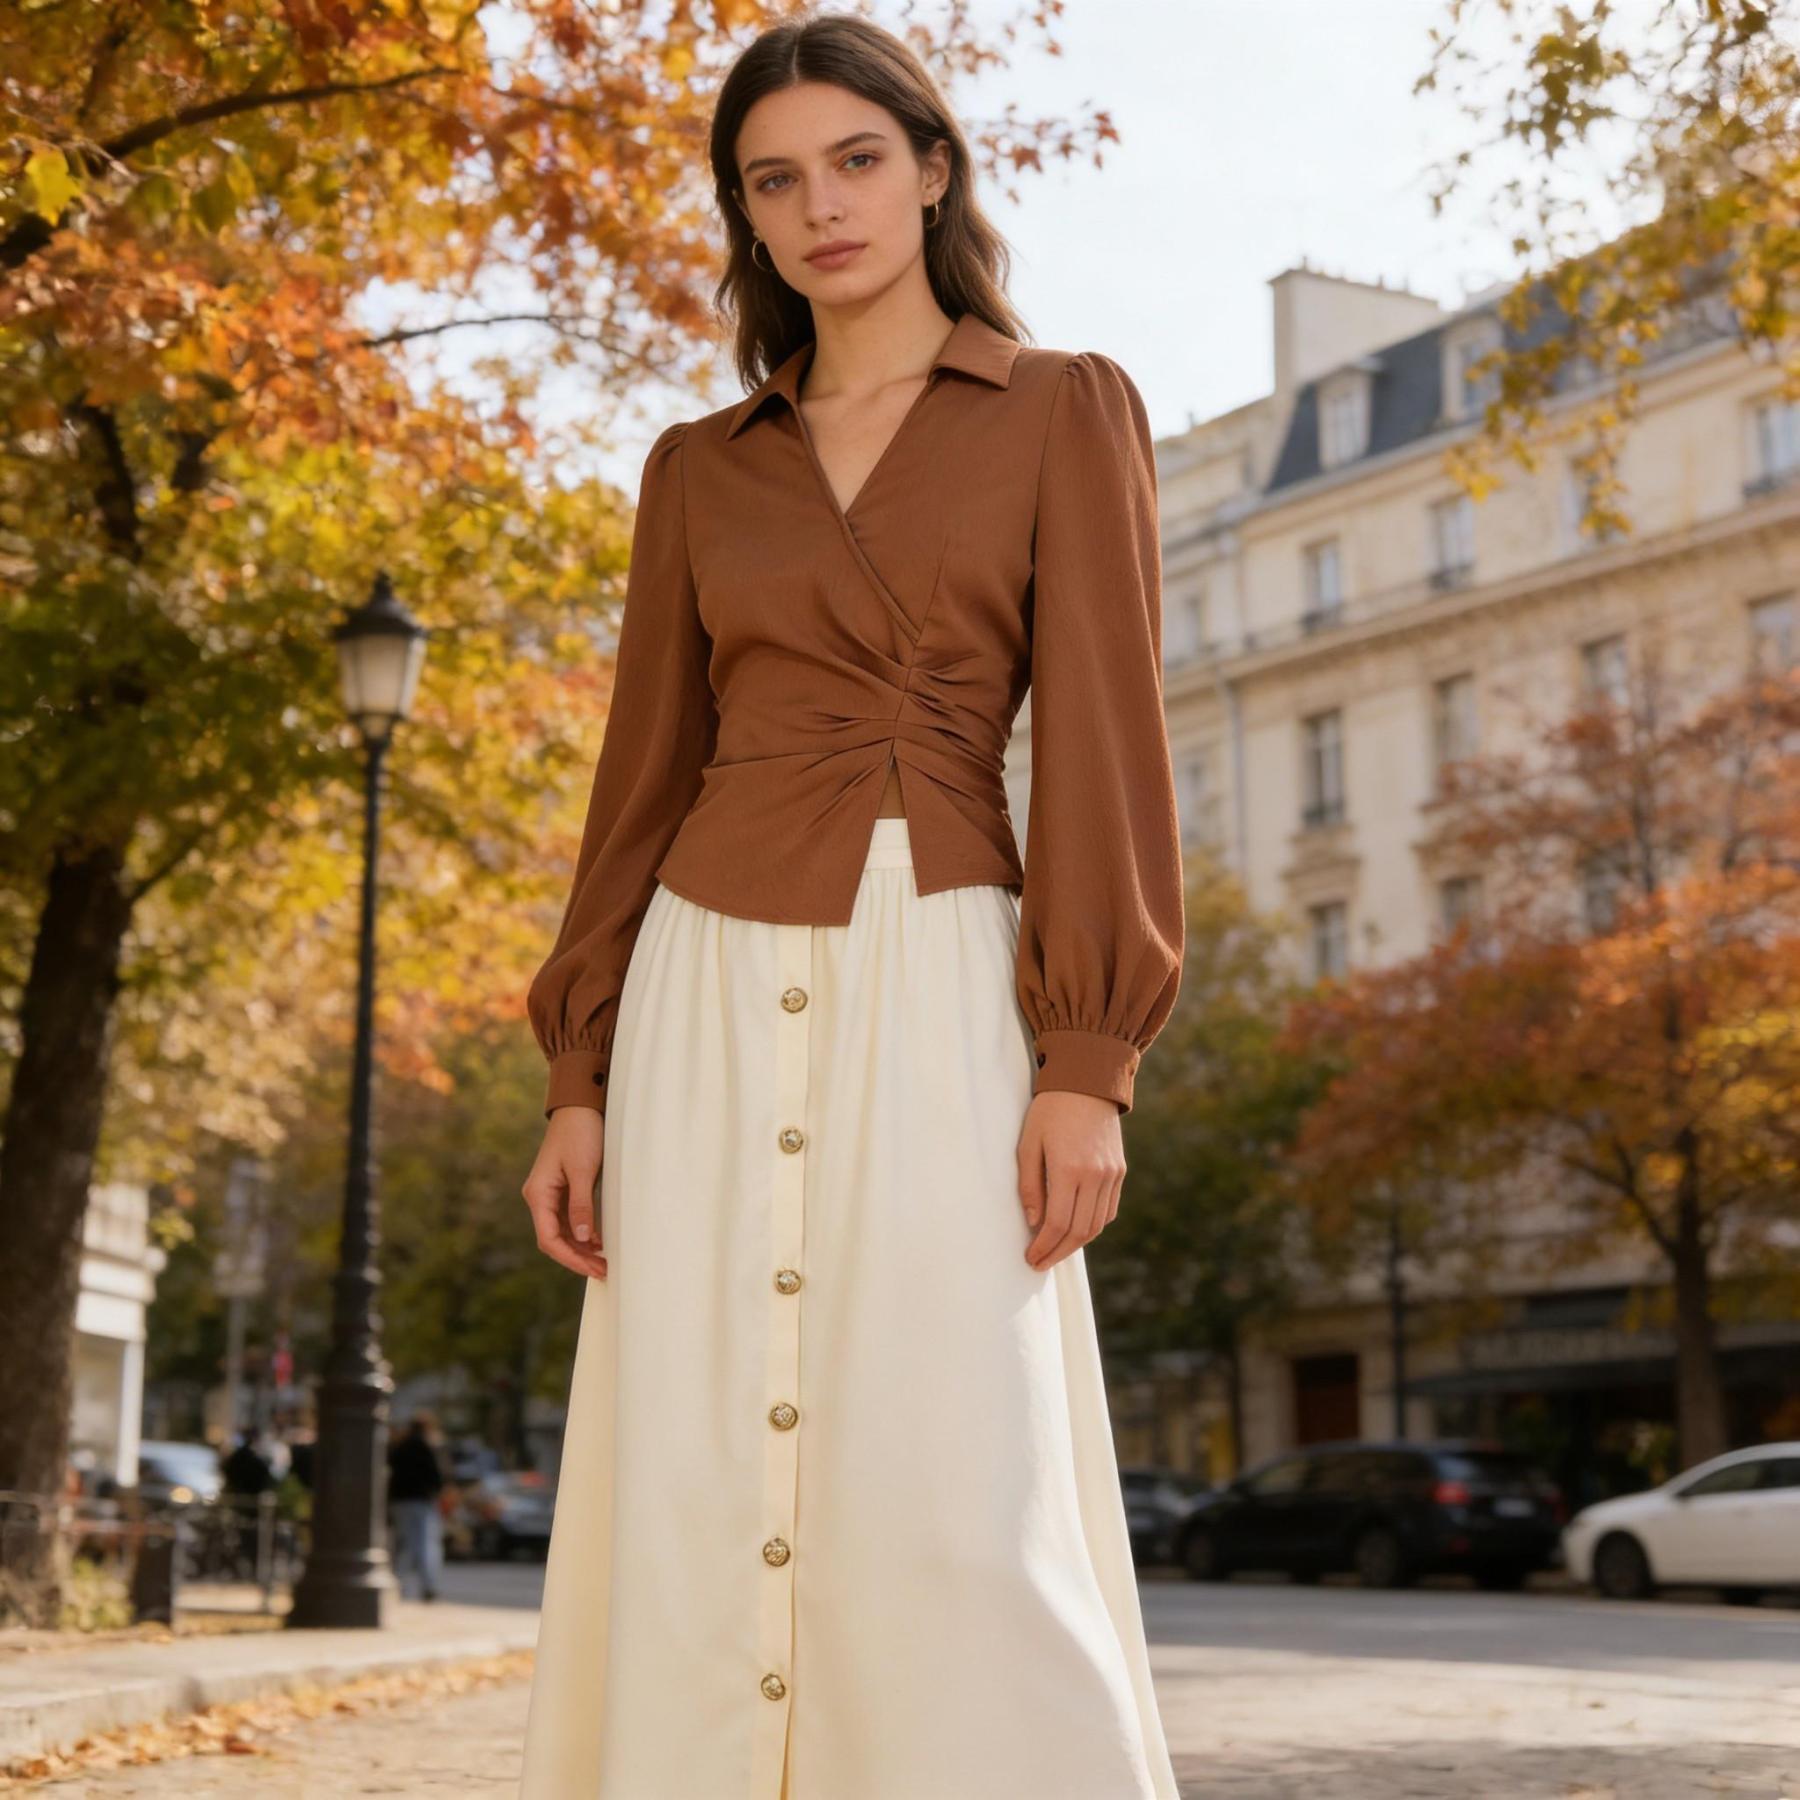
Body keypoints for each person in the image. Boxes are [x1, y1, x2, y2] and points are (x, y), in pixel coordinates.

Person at [517, 13, 1185, 1798]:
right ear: (747, 213)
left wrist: (1090, 1055)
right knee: (690, 1460)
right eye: (776, 179)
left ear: (935, 167)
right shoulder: (696, 467)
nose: (823, 208)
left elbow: (1112, 744)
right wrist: (577, 1076)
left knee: (962, 1471)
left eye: (858, 161)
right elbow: (639, 784)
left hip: (943, 967)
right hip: (701, 992)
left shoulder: (1064, 410)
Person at [386, 1413, 445, 1603]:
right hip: (420, 1501)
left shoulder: (400, 1446)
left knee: (405, 1544)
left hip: (400, 1502)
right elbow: (436, 1476)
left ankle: (398, 1582)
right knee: (423, 1544)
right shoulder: (427, 1446)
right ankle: (427, 1585)